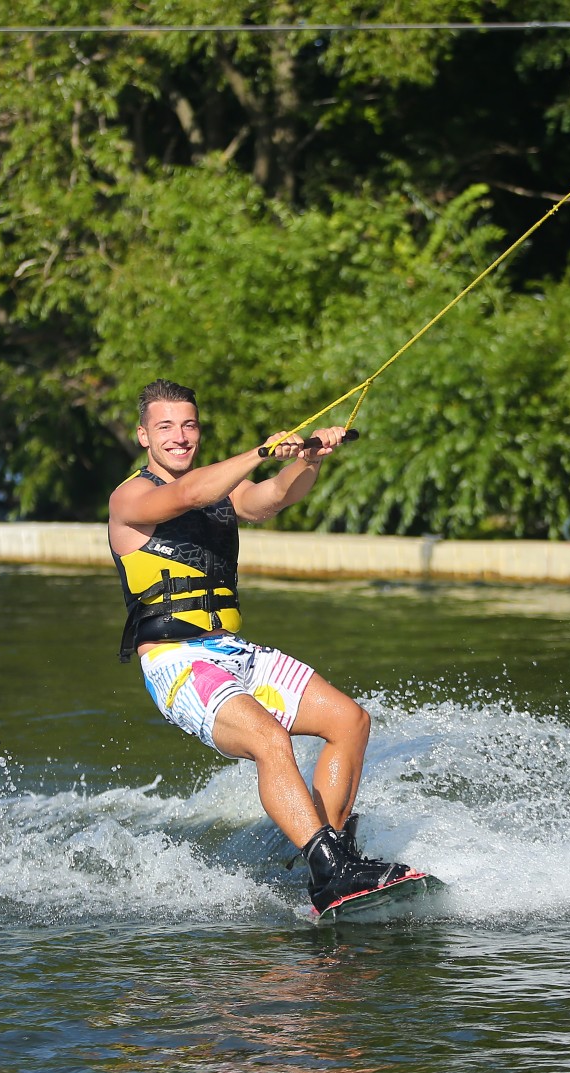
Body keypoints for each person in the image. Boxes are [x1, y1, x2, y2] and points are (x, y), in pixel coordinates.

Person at [107, 378, 415, 914]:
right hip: (177, 662)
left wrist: (311, 458)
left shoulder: (223, 493)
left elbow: (271, 497)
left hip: (233, 652)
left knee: (350, 721)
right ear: (143, 437)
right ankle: (329, 871)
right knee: (271, 739)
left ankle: (335, 853)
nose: (180, 436)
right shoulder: (131, 497)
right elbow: (186, 495)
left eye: (189, 425)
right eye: (165, 427)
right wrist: (260, 449)